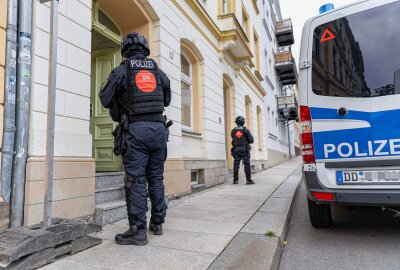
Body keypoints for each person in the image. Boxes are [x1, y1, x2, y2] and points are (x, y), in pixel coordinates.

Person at [99, 32, 171, 246]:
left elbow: (105, 99)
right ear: (145, 49)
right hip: (159, 131)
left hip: (136, 131)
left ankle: (138, 231)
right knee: (156, 177)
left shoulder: (122, 70)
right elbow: (167, 99)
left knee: (136, 180)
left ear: (124, 50)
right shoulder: (158, 71)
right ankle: (157, 223)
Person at [231, 116, 255, 185]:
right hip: (244, 149)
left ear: (236, 122)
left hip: (236, 149)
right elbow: (251, 140)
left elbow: (233, 138)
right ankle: (248, 180)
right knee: (247, 165)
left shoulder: (233, 131)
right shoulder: (245, 130)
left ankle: (235, 180)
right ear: (243, 122)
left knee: (236, 165)